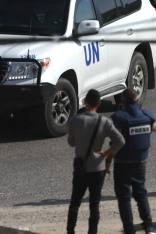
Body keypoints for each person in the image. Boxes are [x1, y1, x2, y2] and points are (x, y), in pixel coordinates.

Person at [67, 89, 124, 234]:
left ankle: (70, 232)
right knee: (94, 204)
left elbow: (71, 142)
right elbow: (120, 141)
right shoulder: (104, 122)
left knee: (75, 202)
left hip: (80, 167)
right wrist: (106, 153)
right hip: (98, 168)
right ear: (99, 104)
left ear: (85, 102)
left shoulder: (74, 120)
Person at [109, 88, 156, 234]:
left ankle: (129, 230)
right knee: (141, 194)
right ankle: (149, 227)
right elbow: (155, 128)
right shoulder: (146, 115)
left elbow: (116, 136)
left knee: (124, 198)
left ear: (122, 102)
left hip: (122, 162)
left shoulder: (120, 117)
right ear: (137, 100)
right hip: (140, 162)